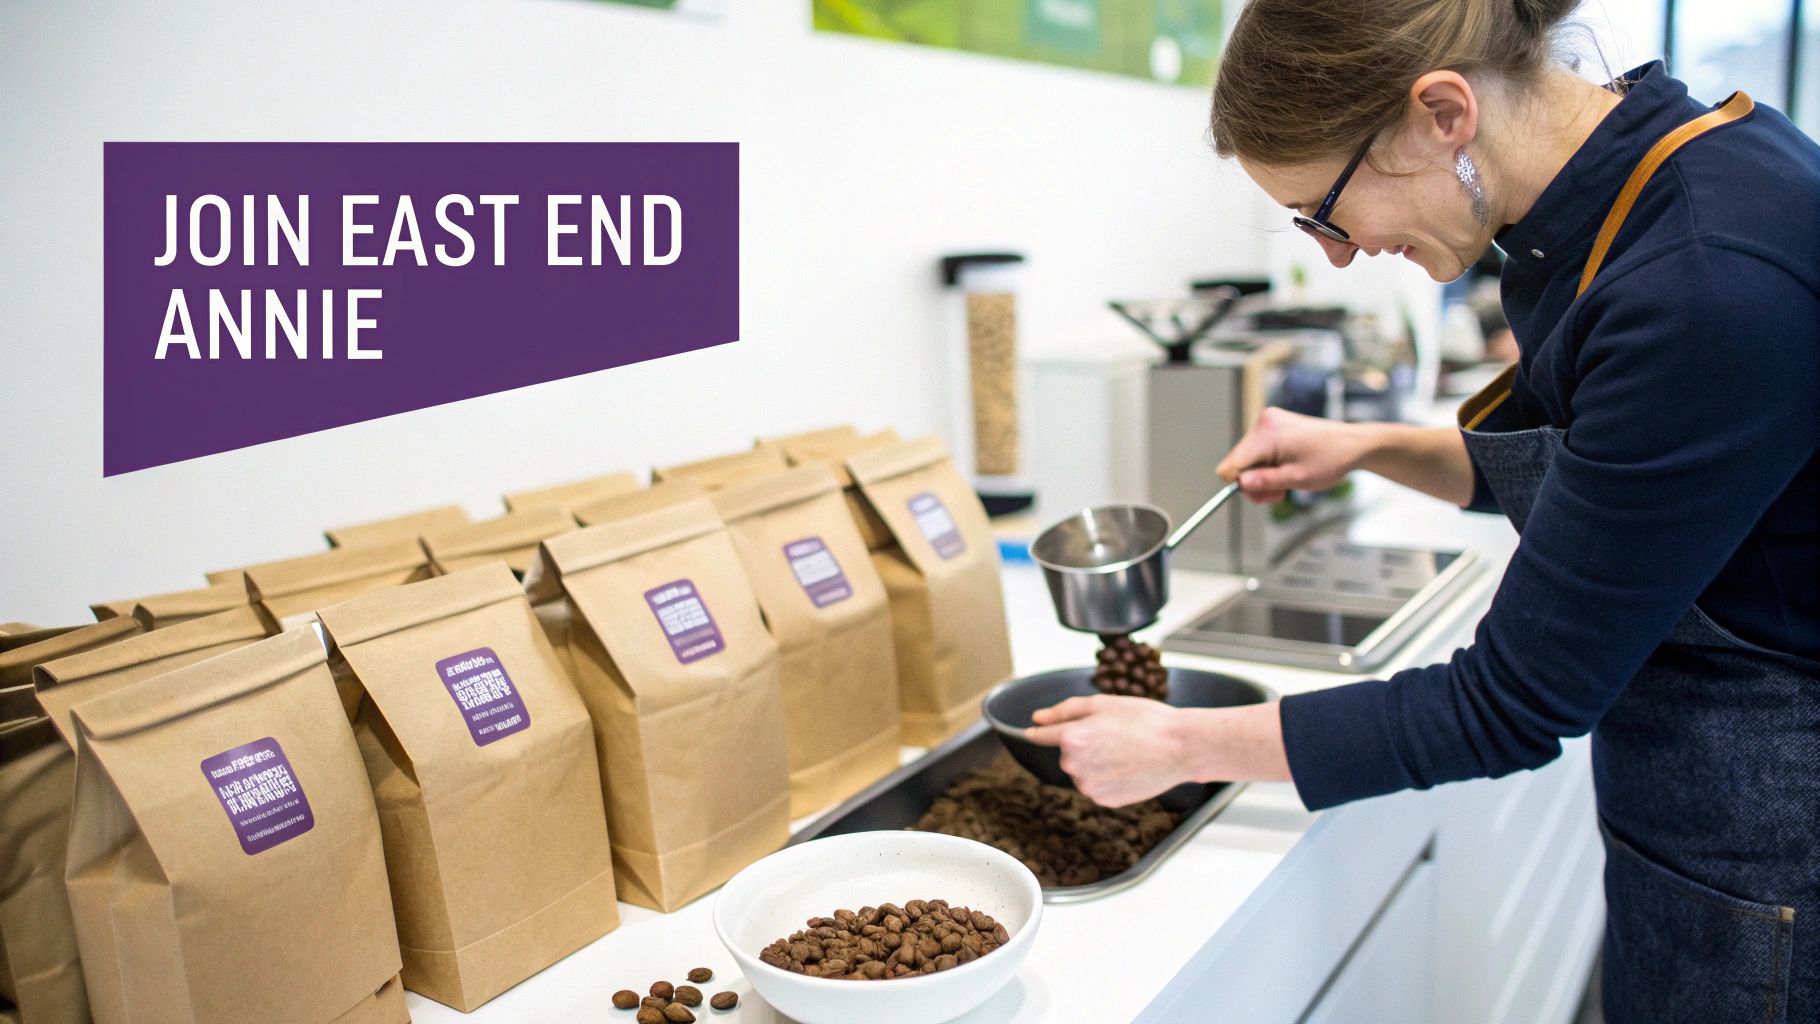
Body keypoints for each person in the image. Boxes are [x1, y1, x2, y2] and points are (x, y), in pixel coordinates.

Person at [1023, 2, 1820, 1020]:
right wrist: (1367, 447)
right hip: (1693, 810)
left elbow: (1510, 704)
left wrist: (1179, 745)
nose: (1336, 255)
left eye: (1324, 211)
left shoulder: (1704, 279)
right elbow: (1626, 484)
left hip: (1771, 851)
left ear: (1442, 112)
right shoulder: (1625, 198)